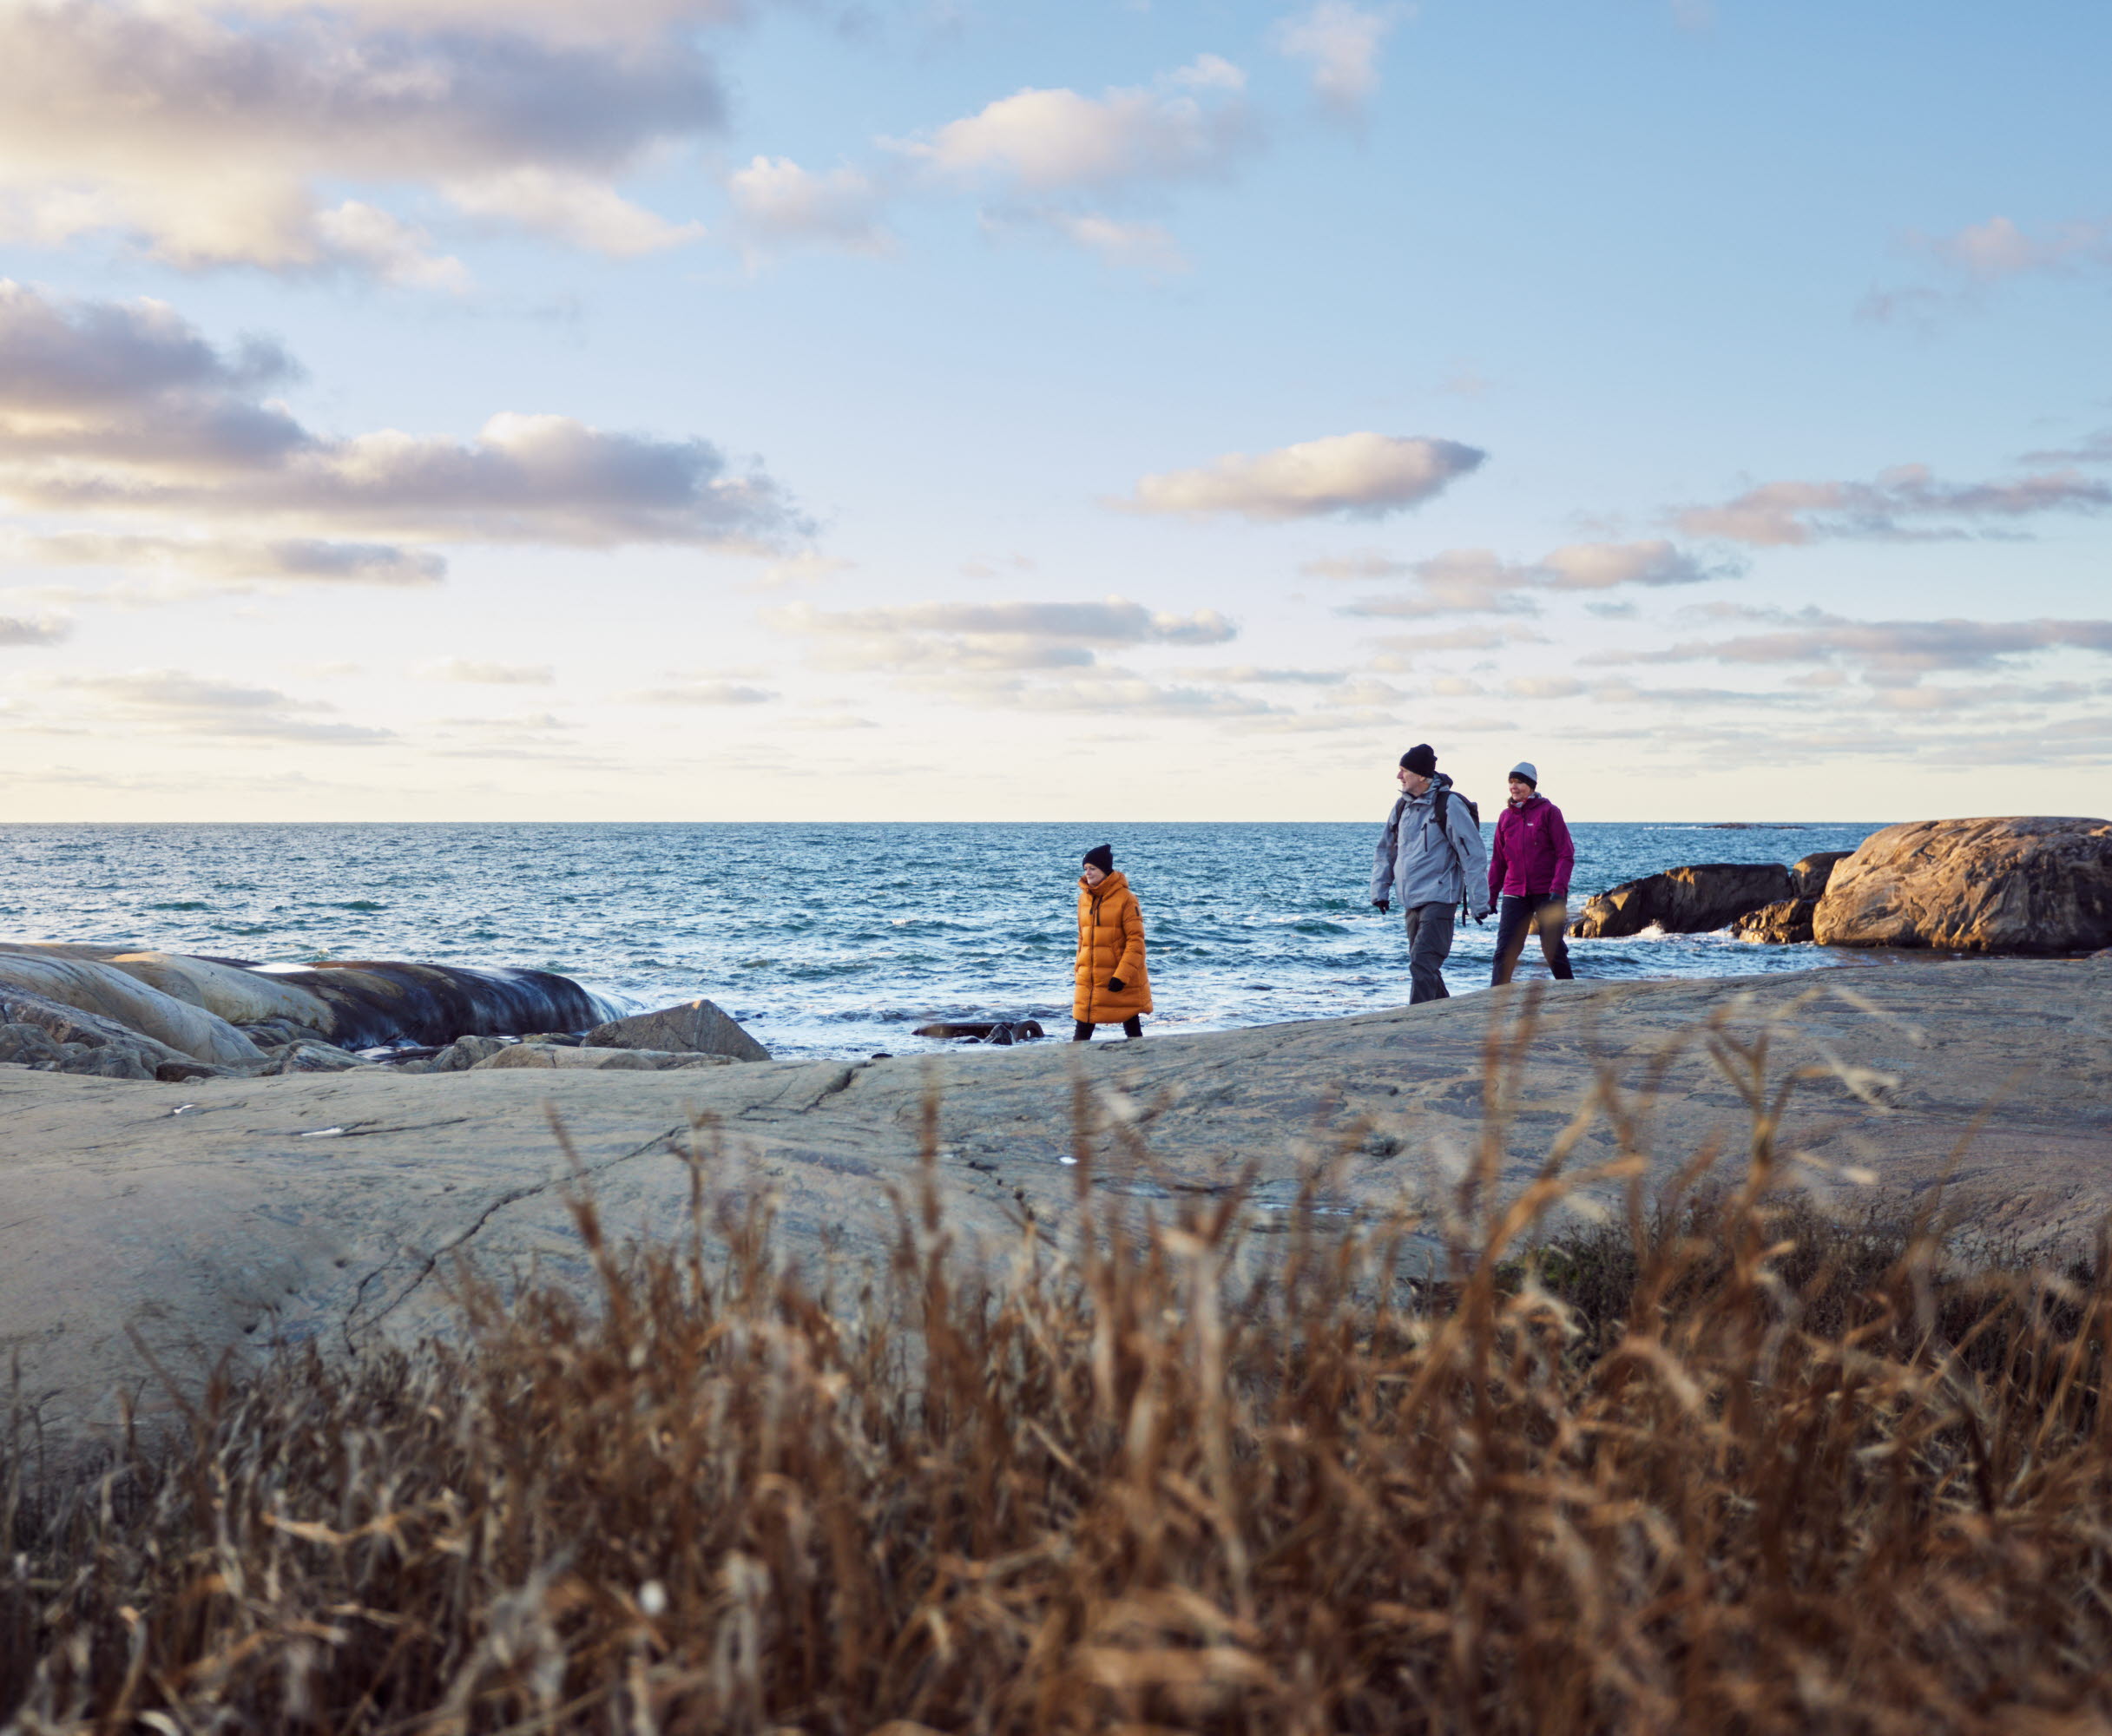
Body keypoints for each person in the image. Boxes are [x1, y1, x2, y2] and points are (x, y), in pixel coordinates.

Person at [1370, 744, 1490, 1005]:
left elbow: (1473, 854)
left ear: (1422, 776)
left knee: (1422, 962)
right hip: (1411, 900)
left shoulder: (1449, 805)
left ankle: (1415, 1023)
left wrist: (1480, 902)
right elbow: (1386, 850)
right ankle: (1446, 1015)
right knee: (1426, 967)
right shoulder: (1402, 806)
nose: (1398, 777)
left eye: (1404, 771)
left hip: (1440, 898)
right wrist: (1380, 891)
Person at [1487, 760, 1576, 987]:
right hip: (1515, 892)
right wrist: (1491, 896)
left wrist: (1558, 889)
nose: (1514, 787)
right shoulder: (1506, 817)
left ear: (1531, 785)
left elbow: (1566, 854)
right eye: (1511, 782)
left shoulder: (1549, 812)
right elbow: (1498, 860)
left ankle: (1569, 994)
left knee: (1552, 949)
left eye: (1519, 782)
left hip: (1548, 892)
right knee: (1505, 951)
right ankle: (1497, 1001)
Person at [1073, 845, 1152, 1041]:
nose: (1088, 873)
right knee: (1083, 1025)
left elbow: (1136, 942)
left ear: (1105, 870)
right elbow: (1082, 937)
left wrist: (1122, 976)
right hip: (1089, 977)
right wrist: (1078, 967)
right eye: (1086, 869)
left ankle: (1139, 1064)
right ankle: (1074, 1068)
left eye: (1093, 869)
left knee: (1130, 1021)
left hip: (1118, 976)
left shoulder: (1127, 899)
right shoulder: (1084, 899)